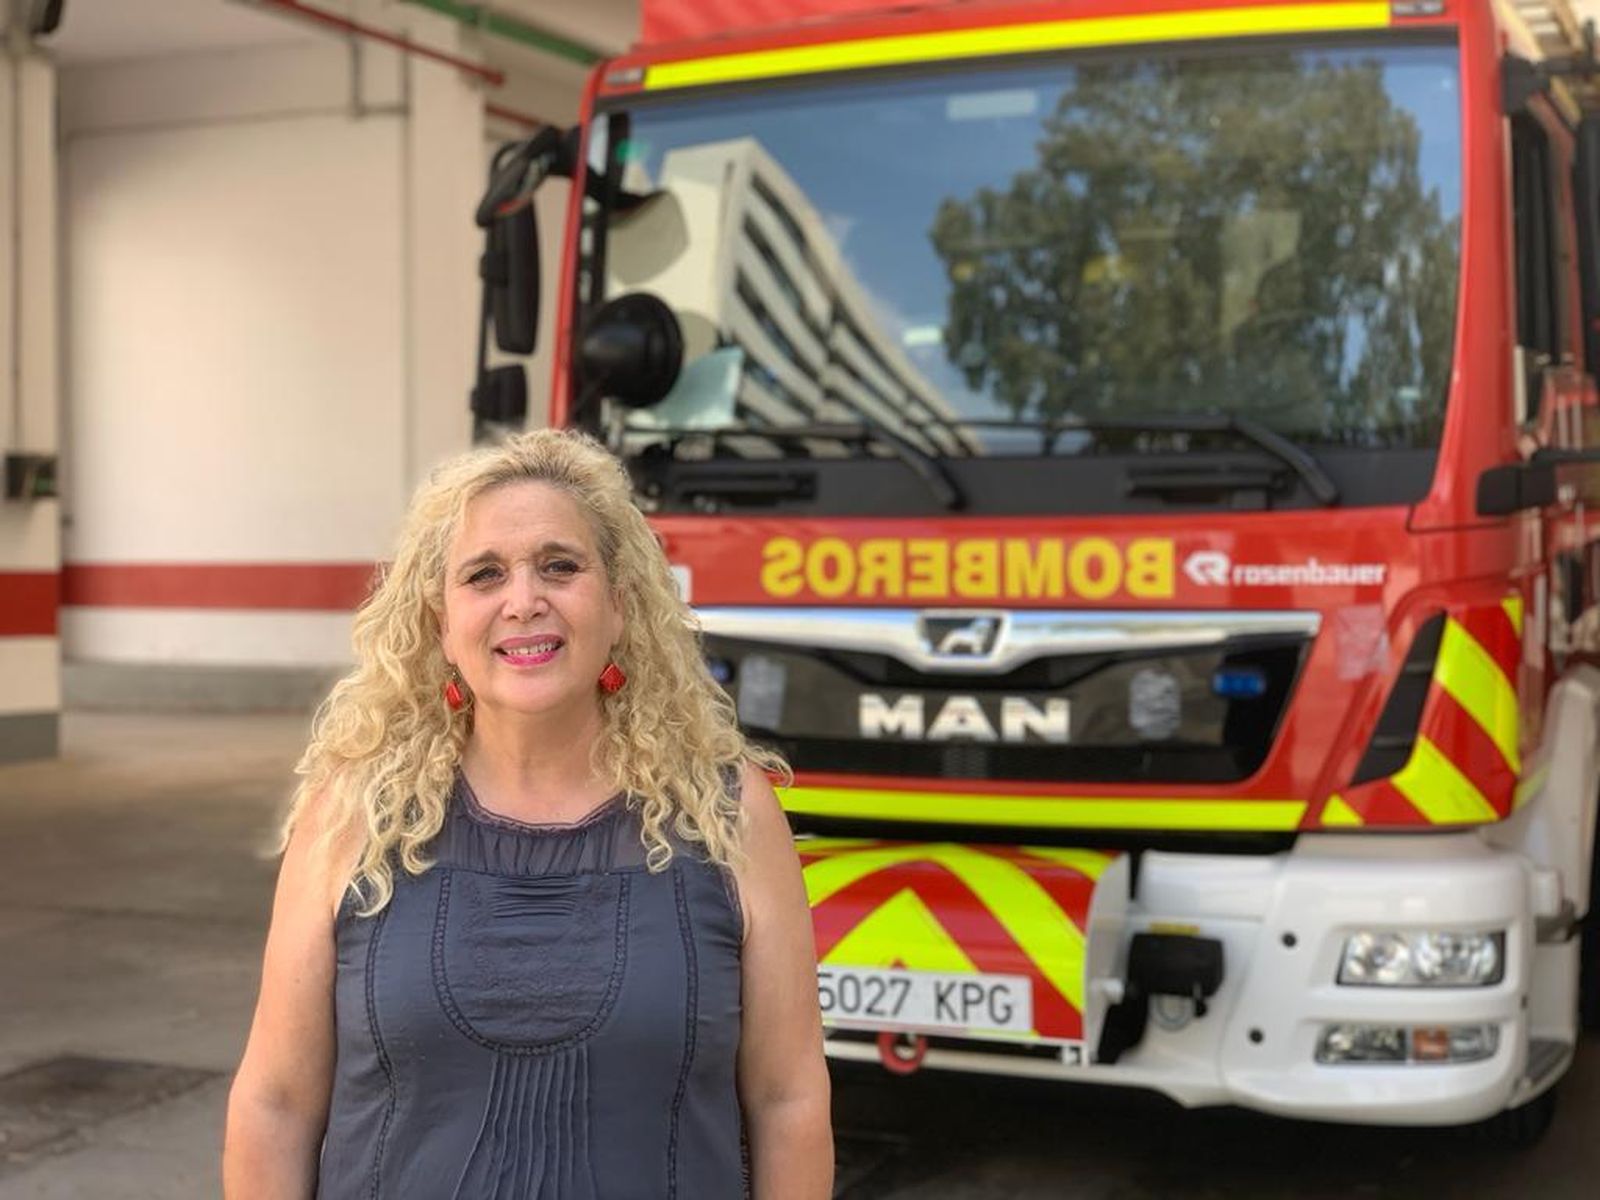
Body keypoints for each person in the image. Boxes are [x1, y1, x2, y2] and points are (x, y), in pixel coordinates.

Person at [223, 429, 833, 1198]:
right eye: (484, 574)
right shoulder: (354, 813)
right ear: (441, 623)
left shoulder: (730, 810)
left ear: (618, 604)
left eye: (559, 566)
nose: (524, 600)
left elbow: (788, 1102)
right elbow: (274, 1105)